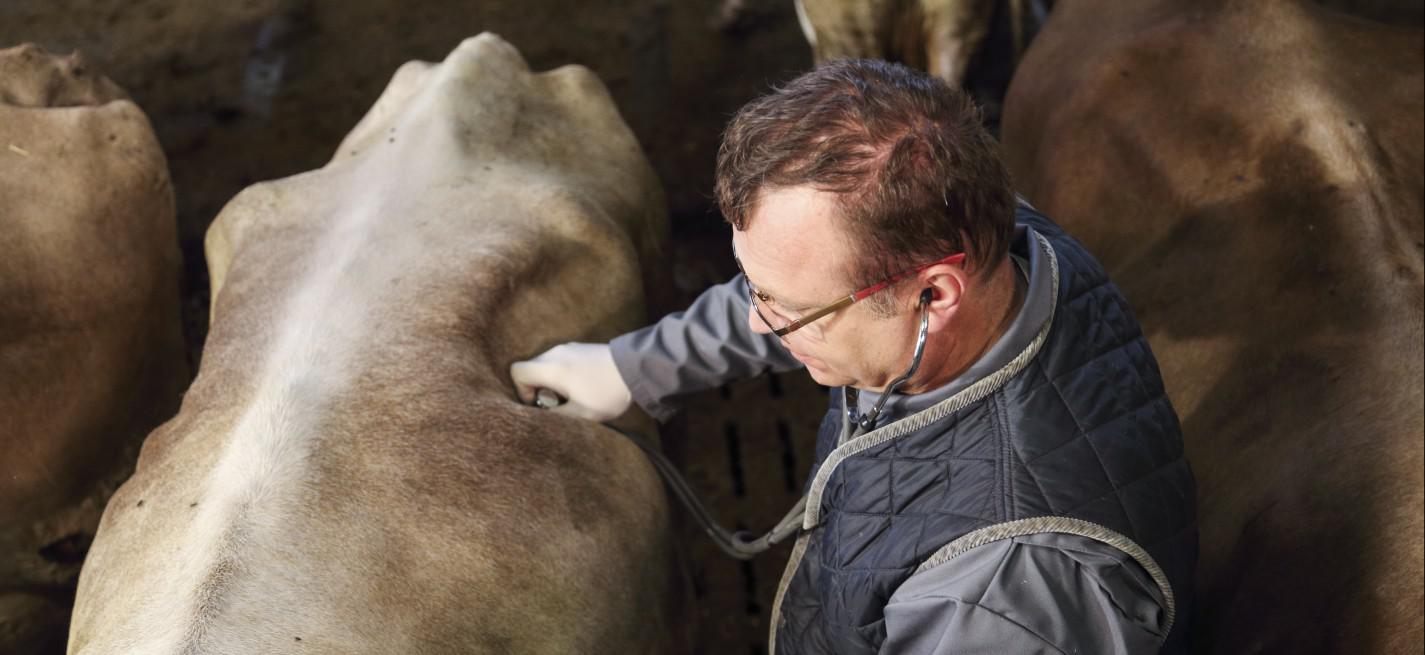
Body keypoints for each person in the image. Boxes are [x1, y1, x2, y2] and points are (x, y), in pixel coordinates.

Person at [511, 59, 1197, 655]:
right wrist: (636, 367)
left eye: (787, 310)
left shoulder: (998, 599)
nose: (757, 319)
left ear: (933, 293)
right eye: (756, 286)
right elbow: (803, 286)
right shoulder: (987, 232)